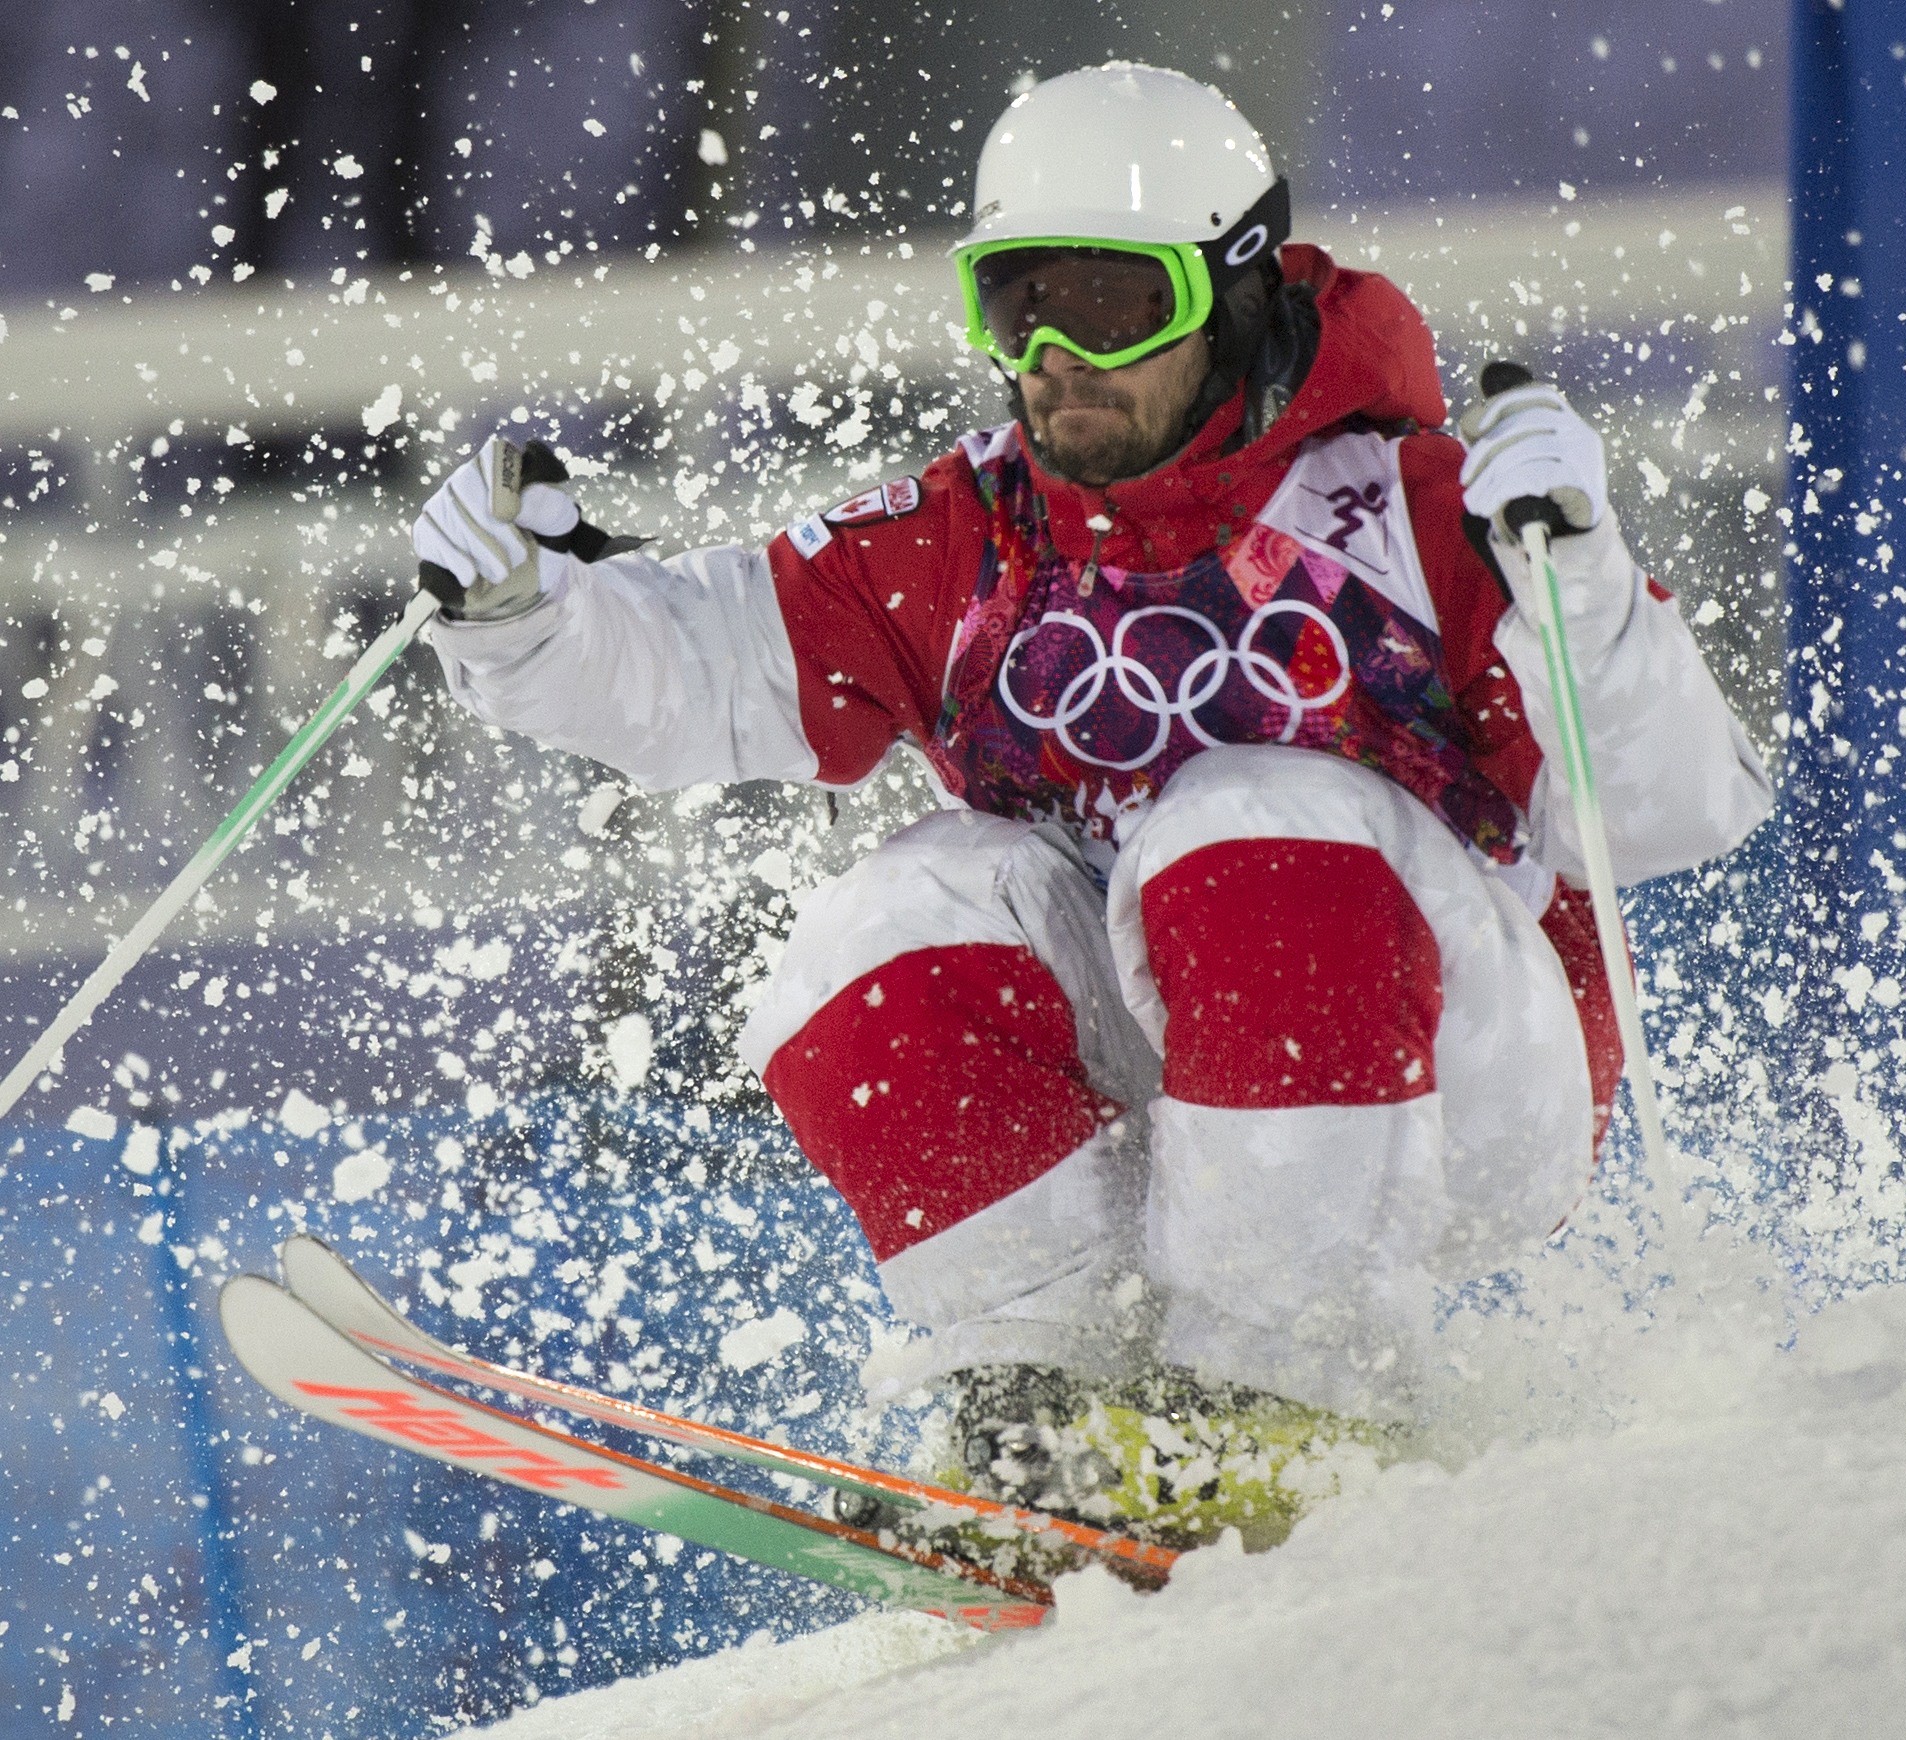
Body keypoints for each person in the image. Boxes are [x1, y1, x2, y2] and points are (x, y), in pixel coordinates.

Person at [410, 62, 1770, 1541]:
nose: (1057, 357)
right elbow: (698, 661)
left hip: (1461, 1075)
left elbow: (1675, 810)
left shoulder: (1421, 508)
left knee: (1241, 817)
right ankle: (1048, 1411)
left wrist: (1578, 581)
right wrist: (524, 615)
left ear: (1232, 290)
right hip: (1175, 1079)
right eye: (1016, 304)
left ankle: (1288, 1414)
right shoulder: (971, 532)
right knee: (887, 911)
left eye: (1114, 306)